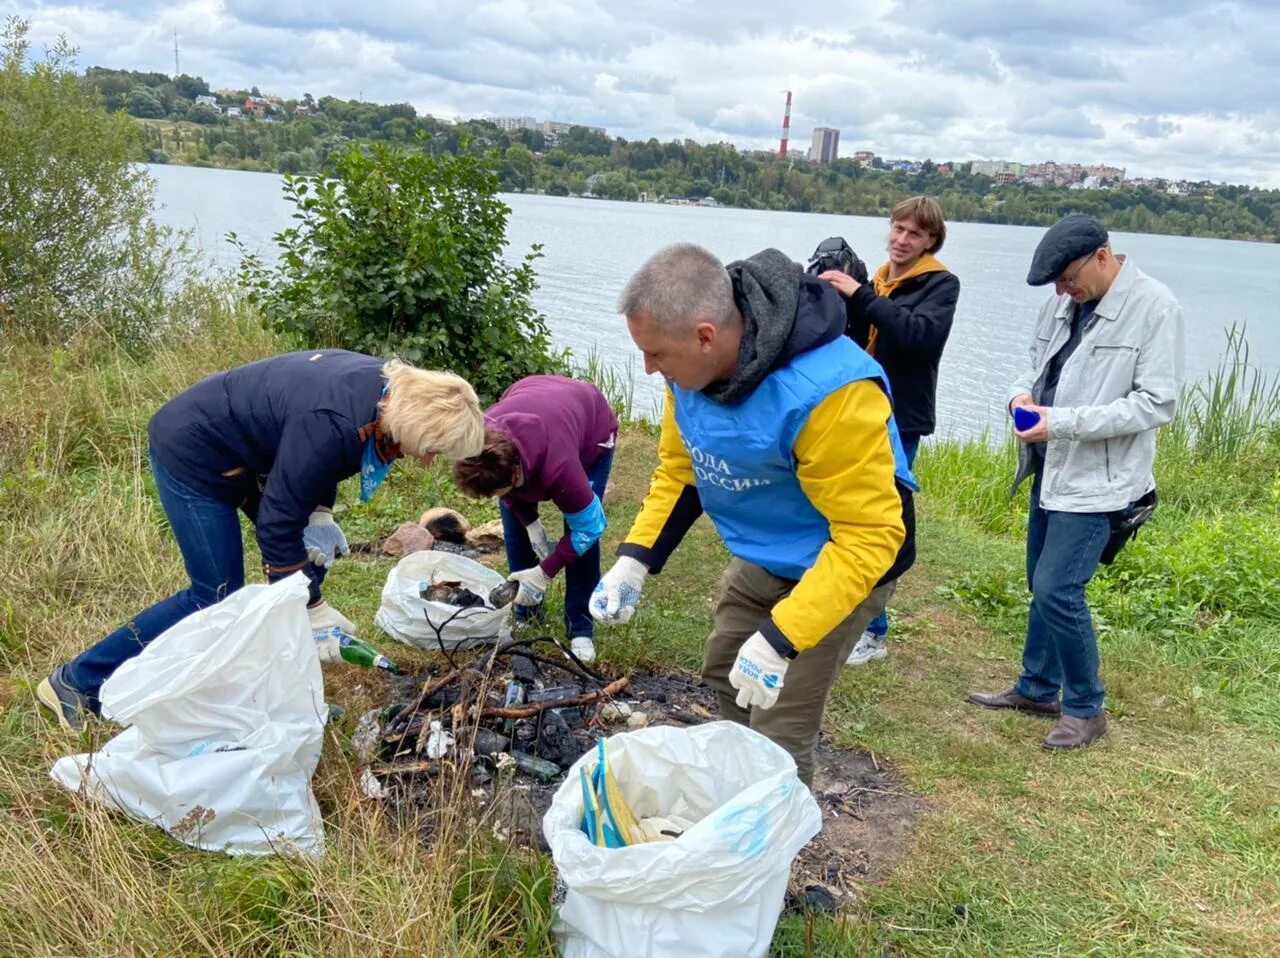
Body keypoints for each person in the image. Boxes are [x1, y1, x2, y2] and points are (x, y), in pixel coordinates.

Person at [590, 243, 917, 786]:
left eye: (657, 354)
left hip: (841, 566)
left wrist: (781, 637)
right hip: (765, 554)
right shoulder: (687, 372)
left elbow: (869, 536)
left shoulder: (829, 393)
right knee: (724, 668)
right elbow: (681, 468)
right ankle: (743, 787)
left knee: (781, 724)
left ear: (705, 335)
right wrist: (634, 560)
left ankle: (769, 837)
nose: (649, 370)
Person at [36, 350, 485, 730]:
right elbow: (277, 519)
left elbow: (313, 464)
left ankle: (279, 699)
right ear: (416, 421)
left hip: (248, 456)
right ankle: (75, 681)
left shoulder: (383, 392)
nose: (427, 462)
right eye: (432, 449)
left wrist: (320, 515)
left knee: (302, 569)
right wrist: (310, 605)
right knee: (214, 593)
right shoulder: (336, 421)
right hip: (194, 453)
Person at [967, 214, 1184, 749]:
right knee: (1040, 582)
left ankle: (1086, 708)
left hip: (1104, 482)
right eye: (1058, 284)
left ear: (1103, 256)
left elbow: (1158, 404)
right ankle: (1038, 688)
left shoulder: (1156, 308)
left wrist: (1058, 422)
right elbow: (1034, 367)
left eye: (1068, 278)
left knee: (1058, 588)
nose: (1064, 291)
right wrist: (1018, 398)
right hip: (1049, 468)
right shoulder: (1063, 302)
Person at [819, 196, 959, 667]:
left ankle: (873, 631)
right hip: (858, 411)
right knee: (841, 510)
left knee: (883, 519)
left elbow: (918, 336)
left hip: (901, 419)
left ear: (931, 241)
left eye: (914, 234)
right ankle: (835, 606)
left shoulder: (940, 284)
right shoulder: (875, 278)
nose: (902, 240)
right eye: (898, 229)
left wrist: (860, 296)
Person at [451, 375, 619, 663]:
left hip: (592, 427)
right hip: (532, 393)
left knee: (578, 532)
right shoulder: (481, 438)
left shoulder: (560, 468)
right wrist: (530, 524)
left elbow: (589, 527)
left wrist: (544, 573)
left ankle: (580, 626)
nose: (496, 497)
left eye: (499, 491)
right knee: (514, 525)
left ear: (515, 474)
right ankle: (527, 613)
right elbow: (508, 495)